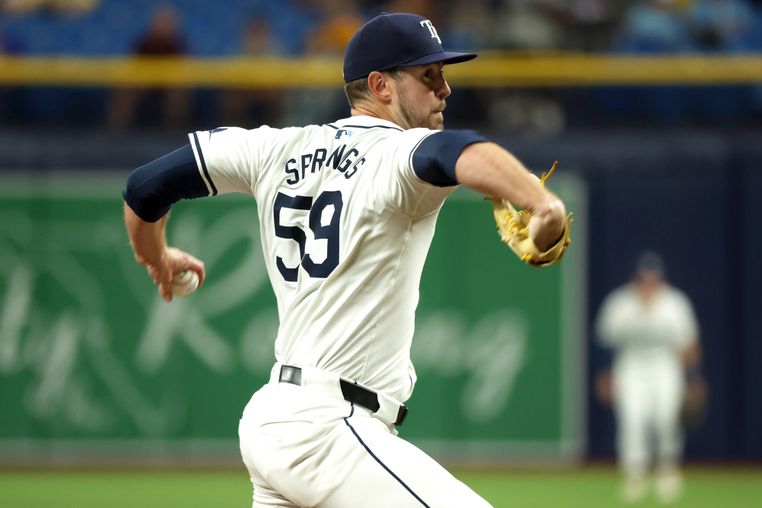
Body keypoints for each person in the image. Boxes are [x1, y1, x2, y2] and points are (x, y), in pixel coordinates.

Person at [122, 12, 568, 507]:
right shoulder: (397, 154)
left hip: (276, 417)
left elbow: (145, 186)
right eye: (428, 76)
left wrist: (155, 255)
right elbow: (458, 149)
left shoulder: (274, 147)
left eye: (443, 75)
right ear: (380, 85)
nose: (444, 90)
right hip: (330, 430)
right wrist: (541, 201)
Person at [595, 251, 704, 504]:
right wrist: (605, 376)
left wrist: (693, 378)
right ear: (636, 278)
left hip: (665, 365)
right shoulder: (619, 303)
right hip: (631, 364)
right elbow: (604, 342)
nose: (648, 285)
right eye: (644, 279)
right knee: (632, 420)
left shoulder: (675, 303)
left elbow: (689, 345)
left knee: (666, 418)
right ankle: (635, 475)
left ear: (661, 279)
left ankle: (668, 470)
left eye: (653, 279)